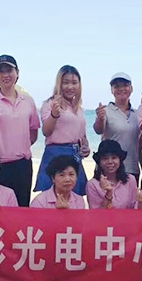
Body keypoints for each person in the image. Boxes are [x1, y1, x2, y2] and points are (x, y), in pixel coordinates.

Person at [0, 55, 40, 206]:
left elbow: (33, 132)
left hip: (22, 165)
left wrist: (18, 147)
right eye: (1, 71)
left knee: (21, 208)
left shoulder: (28, 101)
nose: (5, 75)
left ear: (17, 73)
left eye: (9, 70)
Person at [35, 65, 90, 196]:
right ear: (59, 84)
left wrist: (86, 148)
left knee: (74, 198)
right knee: (52, 197)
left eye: (74, 83)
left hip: (75, 156)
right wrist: (54, 114)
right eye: (66, 82)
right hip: (55, 154)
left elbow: (82, 136)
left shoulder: (78, 108)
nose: (70, 87)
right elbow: (46, 131)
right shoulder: (50, 104)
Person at [93, 73, 140, 182]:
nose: (121, 89)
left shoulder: (137, 114)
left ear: (131, 88)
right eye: (117, 86)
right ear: (112, 90)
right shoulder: (105, 111)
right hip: (109, 168)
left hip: (132, 168)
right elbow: (98, 130)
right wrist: (100, 119)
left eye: (125, 85)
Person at [87, 140, 138, 209]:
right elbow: (96, 213)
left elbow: (134, 208)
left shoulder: (130, 180)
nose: (110, 162)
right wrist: (108, 194)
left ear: (120, 160)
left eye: (114, 157)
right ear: (99, 162)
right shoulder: (92, 185)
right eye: (105, 158)